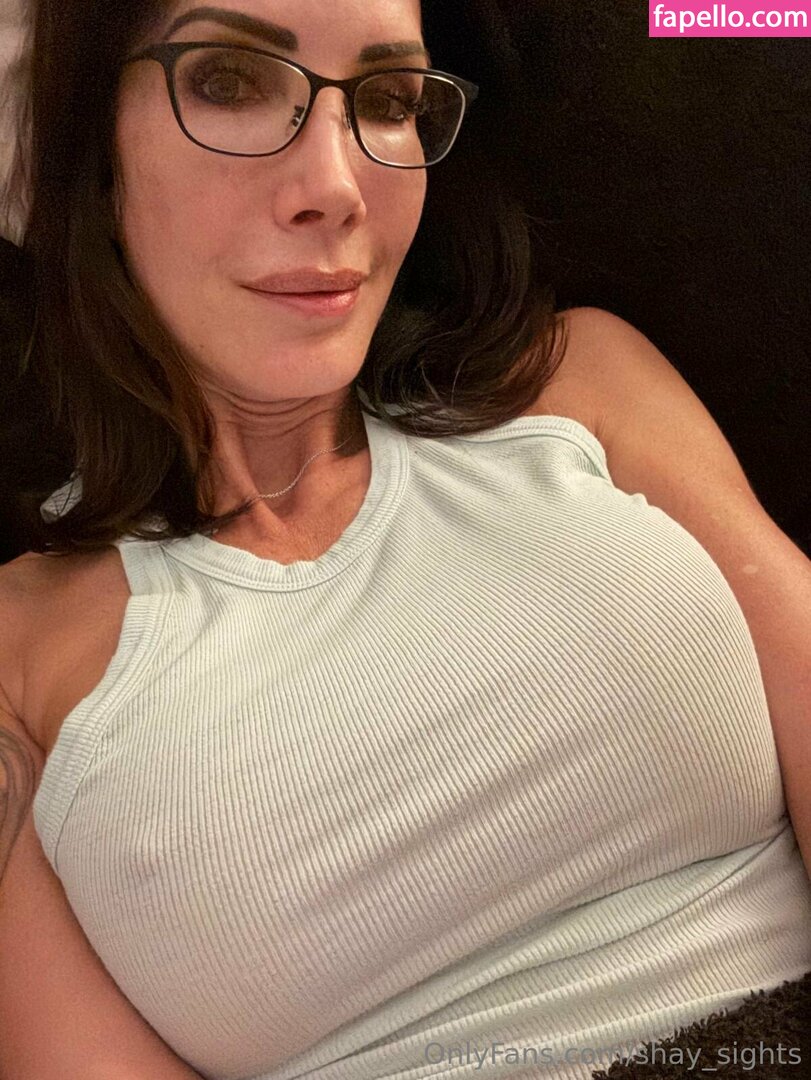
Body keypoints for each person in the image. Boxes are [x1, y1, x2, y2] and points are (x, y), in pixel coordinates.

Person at [1, 1, 810, 1079]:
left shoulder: (574, 384)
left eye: (386, 101)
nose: (337, 187)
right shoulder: (17, 654)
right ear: (94, 151)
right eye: (230, 84)